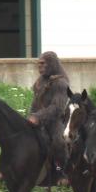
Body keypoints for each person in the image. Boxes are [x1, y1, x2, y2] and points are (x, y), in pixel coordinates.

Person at [28, 51, 69, 181]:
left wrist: (38, 117)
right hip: (37, 119)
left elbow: (57, 108)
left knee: (59, 142)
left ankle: (61, 172)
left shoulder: (61, 82)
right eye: (38, 64)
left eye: (42, 64)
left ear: (51, 64)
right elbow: (35, 103)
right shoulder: (39, 82)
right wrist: (31, 116)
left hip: (54, 121)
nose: (39, 67)